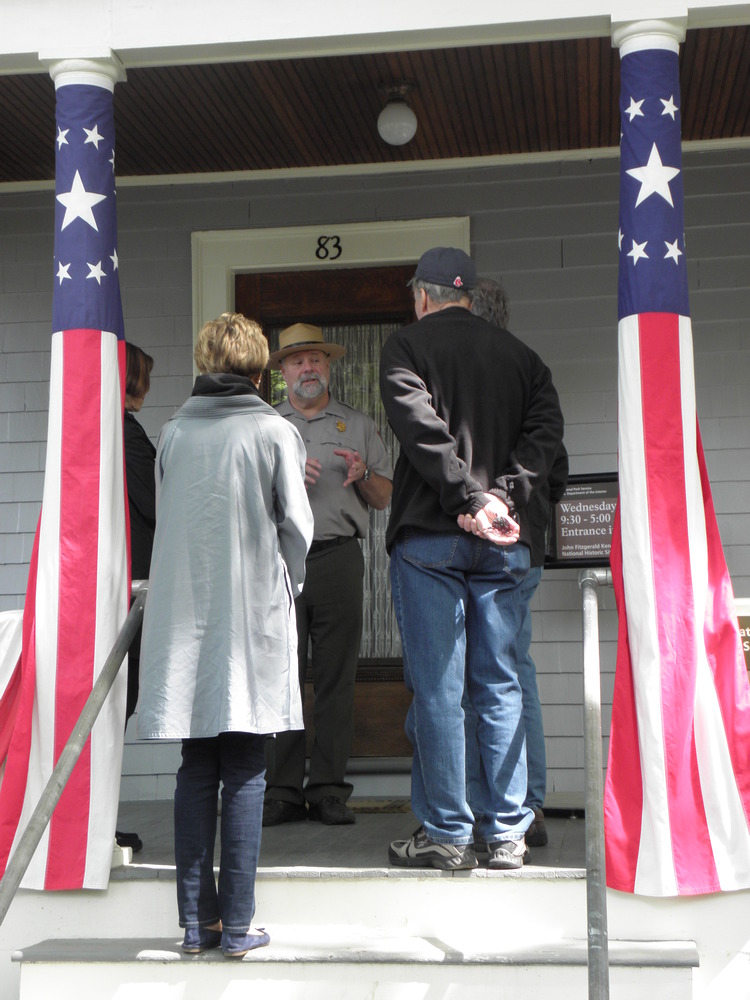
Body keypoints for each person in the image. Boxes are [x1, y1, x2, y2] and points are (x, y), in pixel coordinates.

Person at [379, 247, 564, 870]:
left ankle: (449, 833)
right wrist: (502, 501)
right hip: (505, 539)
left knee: (438, 689)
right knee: (500, 681)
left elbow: (418, 427)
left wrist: (466, 498)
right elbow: (543, 439)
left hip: (430, 538)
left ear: (422, 296)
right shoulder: (525, 359)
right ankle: (508, 831)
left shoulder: (406, 348)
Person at [137, 312, 313, 957]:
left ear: (202, 364)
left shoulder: (175, 432)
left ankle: (196, 924)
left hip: (184, 615)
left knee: (195, 765)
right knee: (244, 764)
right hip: (251, 613)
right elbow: (296, 527)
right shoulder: (273, 429)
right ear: (261, 370)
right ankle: (237, 925)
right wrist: (287, 586)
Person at [263, 323, 392, 827]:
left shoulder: (358, 426)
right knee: (282, 676)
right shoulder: (268, 426)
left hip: (339, 558)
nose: (307, 369)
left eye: (315, 359)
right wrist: (285, 483)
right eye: (296, 362)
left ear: (329, 366)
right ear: (283, 373)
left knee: (337, 678)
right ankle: (281, 790)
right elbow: (246, 504)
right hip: (280, 561)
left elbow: (385, 498)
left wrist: (365, 476)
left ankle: (330, 791)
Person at [466, 280, 568, 848]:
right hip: (524, 545)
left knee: (478, 677)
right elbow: (555, 464)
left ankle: (489, 808)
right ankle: (527, 805)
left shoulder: (461, 377)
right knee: (512, 672)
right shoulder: (530, 369)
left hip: (485, 543)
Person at [116, 342, 157, 855]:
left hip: (108, 584)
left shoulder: (97, 431)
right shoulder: (126, 434)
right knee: (116, 704)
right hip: (129, 587)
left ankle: (99, 819)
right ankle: (98, 821)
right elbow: (158, 505)